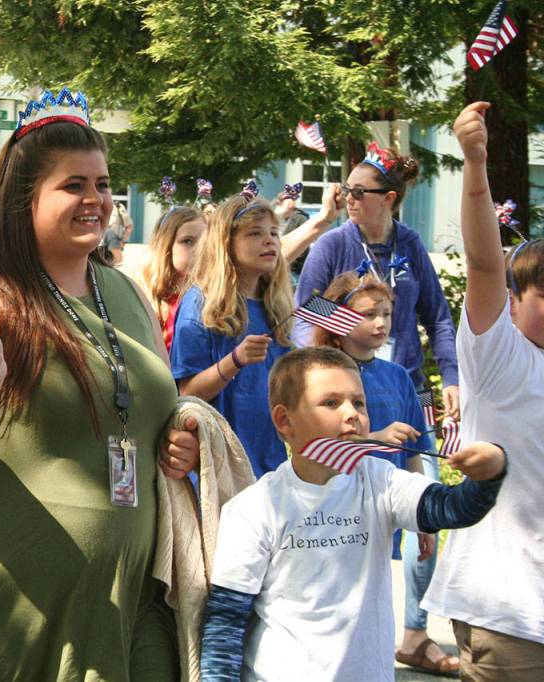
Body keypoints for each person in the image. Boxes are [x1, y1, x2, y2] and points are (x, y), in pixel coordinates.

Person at [0, 88, 200, 680]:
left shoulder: (129, 292)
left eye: (103, 184)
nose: (96, 200)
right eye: (74, 185)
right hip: (2, 608)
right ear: (24, 197)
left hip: (124, 598)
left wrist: (175, 443)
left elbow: (143, 409)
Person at [199, 347, 507, 681]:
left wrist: (490, 472)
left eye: (358, 402)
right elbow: (225, 624)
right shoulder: (254, 509)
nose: (352, 414)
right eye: (331, 403)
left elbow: (452, 508)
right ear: (284, 420)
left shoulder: (379, 480)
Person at [420, 102, 544, 680]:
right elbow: (483, 264)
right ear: (516, 301)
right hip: (511, 615)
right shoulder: (501, 359)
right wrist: (474, 166)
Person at [313, 271, 457, 674]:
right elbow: (313, 449)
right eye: (368, 314)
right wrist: (376, 438)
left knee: (374, 602)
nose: (380, 323)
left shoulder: (397, 377)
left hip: (383, 510)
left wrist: (422, 518)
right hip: (335, 510)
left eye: (387, 314)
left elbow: (413, 451)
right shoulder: (323, 376)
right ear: (339, 321)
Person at [293, 143, 460, 421]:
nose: (349, 199)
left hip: (412, 385)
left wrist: (451, 378)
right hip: (350, 393)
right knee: (358, 464)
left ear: (388, 198)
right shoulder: (331, 244)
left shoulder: (411, 243)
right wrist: (356, 331)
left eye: (359, 192)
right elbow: (305, 310)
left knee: (427, 459)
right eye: (347, 190)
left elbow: (438, 318)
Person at [169, 191, 294, 476]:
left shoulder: (275, 306)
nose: (269, 240)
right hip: (219, 462)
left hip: (269, 463)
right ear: (225, 244)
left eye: (274, 233)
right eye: (254, 233)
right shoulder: (201, 304)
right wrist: (234, 360)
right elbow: (187, 393)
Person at [141, 206, 207, 351]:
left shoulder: (213, 296)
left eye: (205, 242)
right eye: (188, 241)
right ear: (166, 246)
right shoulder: (144, 298)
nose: (199, 250)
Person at [101, 200, 134, 265]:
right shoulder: (101, 206)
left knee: (118, 258)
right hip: (102, 235)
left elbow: (129, 226)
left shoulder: (118, 207)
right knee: (104, 258)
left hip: (113, 234)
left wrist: (124, 240)